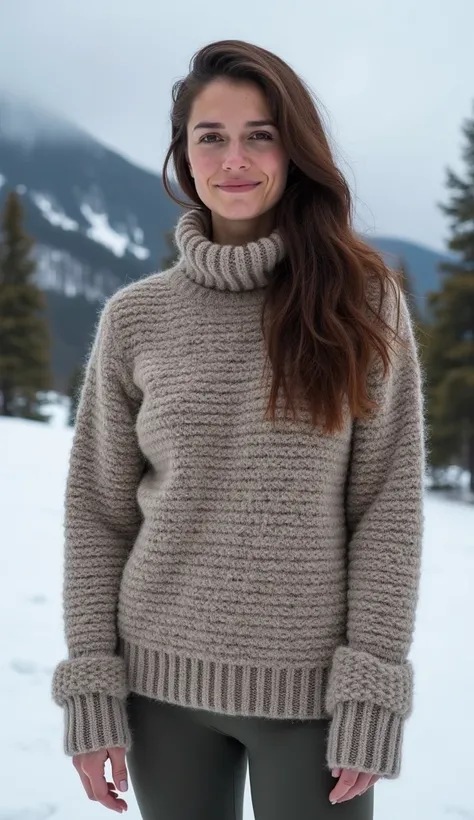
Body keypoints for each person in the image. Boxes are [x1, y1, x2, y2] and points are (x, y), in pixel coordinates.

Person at [51, 39, 425, 820]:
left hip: (311, 700)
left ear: (295, 149)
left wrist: (372, 687)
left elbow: (387, 506)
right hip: (158, 693)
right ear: (184, 158)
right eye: (210, 136)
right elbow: (98, 510)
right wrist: (91, 682)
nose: (235, 159)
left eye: (261, 133)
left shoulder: (361, 301)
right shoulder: (135, 318)